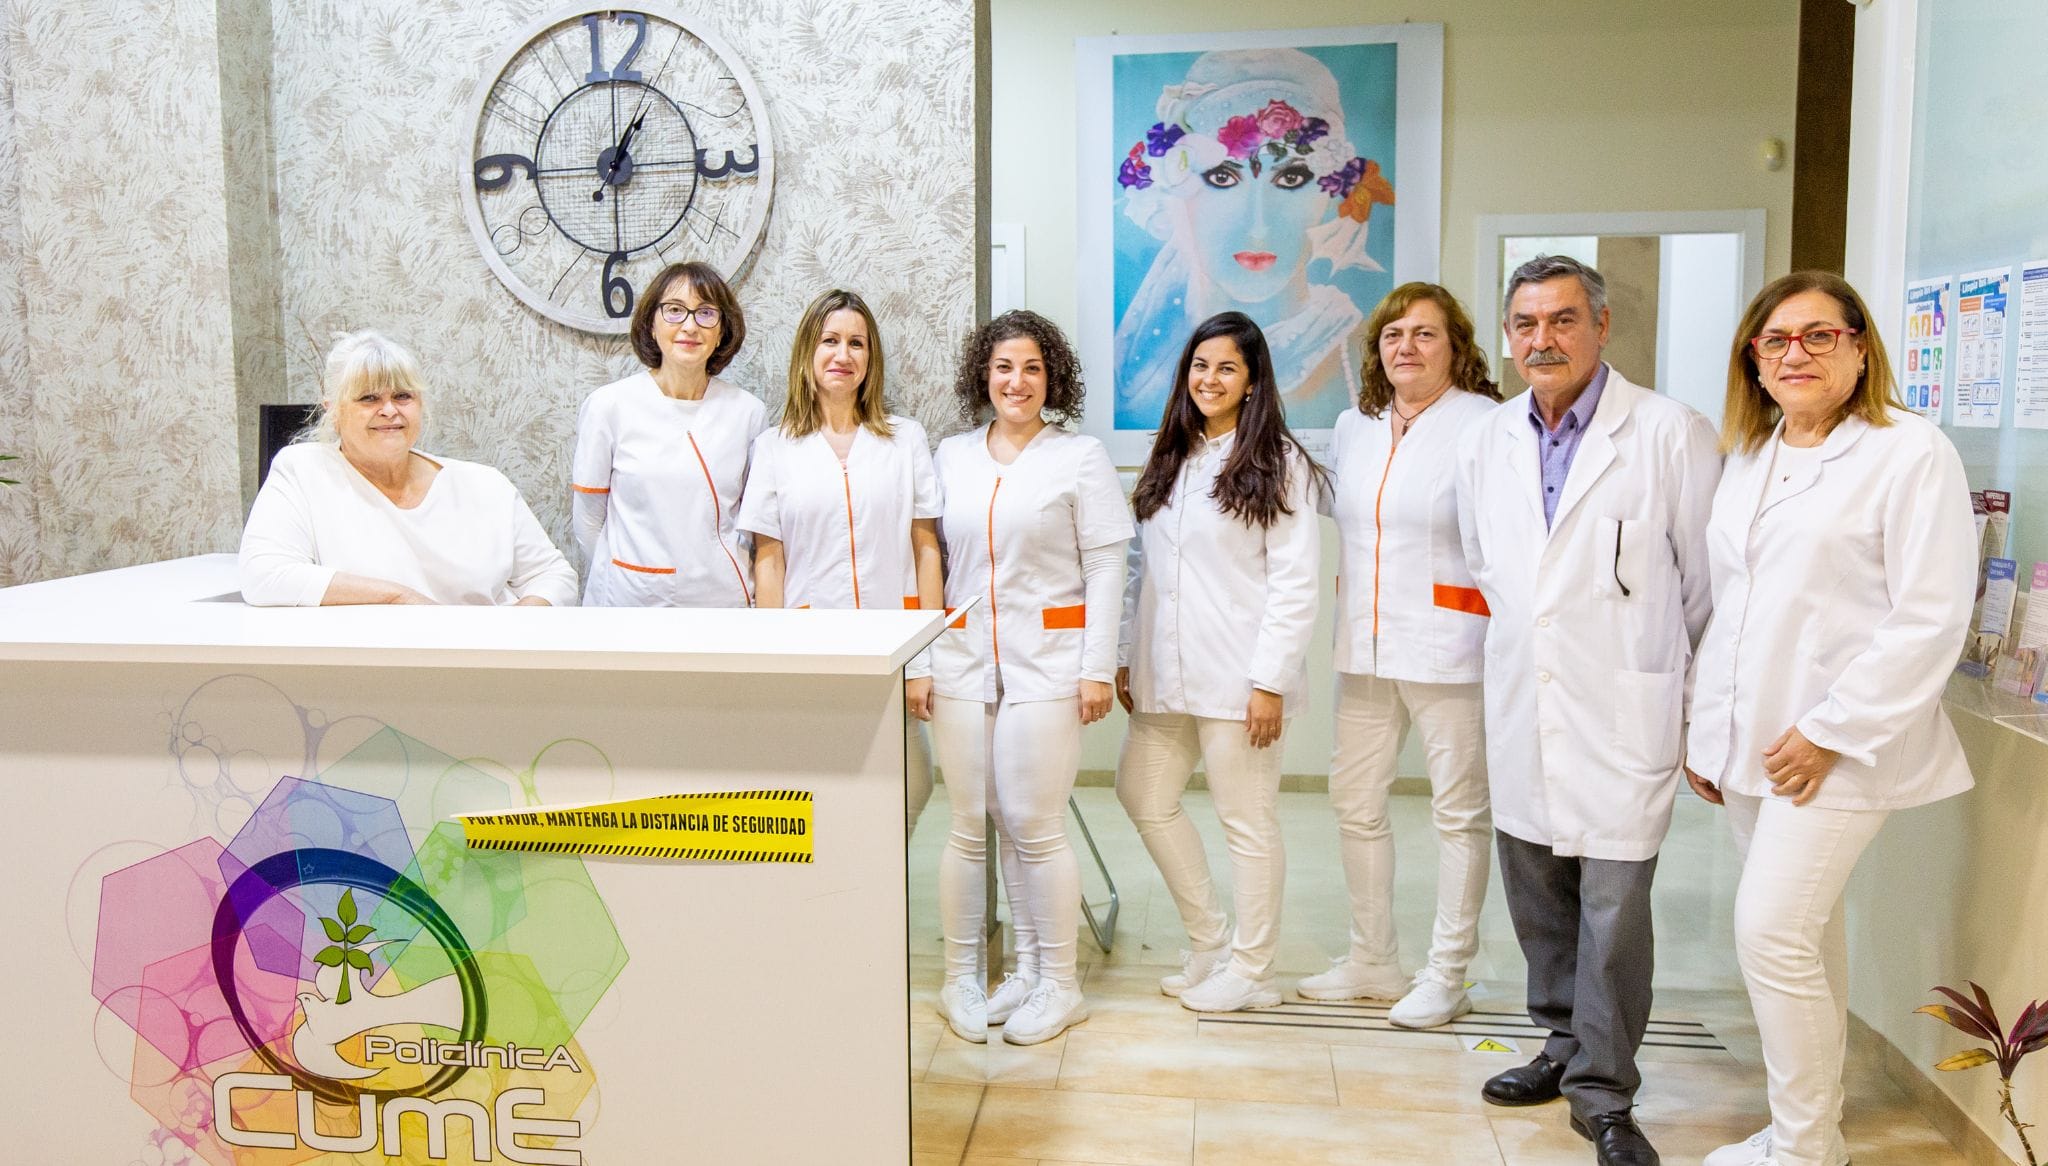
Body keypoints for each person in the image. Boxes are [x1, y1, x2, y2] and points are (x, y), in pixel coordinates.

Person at [1686, 273, 1976, 1166]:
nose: (1796, 354)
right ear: (1754, 361)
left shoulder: (1909, 452)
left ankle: (1807, 1148)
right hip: (1754, 742)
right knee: (1804, 935)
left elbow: (1930, 616)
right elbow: (1735, 605)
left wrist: (1830, 731)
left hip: (1842, 746)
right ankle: (1806, 1129)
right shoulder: (1754, 452)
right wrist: (1708, 730)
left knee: (1771, 932)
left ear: (1859, 347)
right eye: (1776, 340)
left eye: (1819, 335)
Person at [1454, 255, 1721, 1166]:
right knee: (1537, 894)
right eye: (1526, 323)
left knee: (1613, 909)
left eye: (1563, 320)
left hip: (1624, 706)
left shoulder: (1670, 433)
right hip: (1524, 700)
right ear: (1508, 336)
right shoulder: (1488, 438)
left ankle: (1605, 1093)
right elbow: (1489, 563)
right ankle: (1562, 1044)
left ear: (1601, 327)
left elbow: (1707, 591)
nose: (1543, 339)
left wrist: (1700, 715)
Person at [1297, 283, 1501, 1028]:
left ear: (1456, 346)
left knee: (1459, 813)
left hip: (1453, 645)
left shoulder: (1485, 424)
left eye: (1424, 333)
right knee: (1354, 800)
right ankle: (1373, 959)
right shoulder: (1357, 425)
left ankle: (1446, 973)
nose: (1406, 347)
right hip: (1366, 644)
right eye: (1392, 334)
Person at [929, 310, 1132, 1046]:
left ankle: (1060, 983)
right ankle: (981, 975)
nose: (1017, 382)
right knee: (972, 823)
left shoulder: (1078, 457)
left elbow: (1107, 565)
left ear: (1053, 379)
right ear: (983, 375)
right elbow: (930, 558)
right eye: (1004, 367)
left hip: (1049, 664)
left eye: (1033, 369)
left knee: (1034, 824)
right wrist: (922, 659)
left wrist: (1098, 667)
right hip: (962, 662)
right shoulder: (951, 455)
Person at [1113, 311, 1322, 1013]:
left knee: (1247, 821)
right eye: (1200, 366)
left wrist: (1271, 681)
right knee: (1143, 795)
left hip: (1240, 677)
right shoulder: (1171, 454)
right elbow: (1140, 566)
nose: (1210, 379)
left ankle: (1254, 970)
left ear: (1253, 380)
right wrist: (1125, 653)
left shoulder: (1279, 462)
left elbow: (1296, 581)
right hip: (1163, 668)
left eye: (1227, 367)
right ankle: (1210, 941)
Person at [734, 288, 945, 836]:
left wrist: (924, 661)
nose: (843, 354)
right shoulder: (775, 447)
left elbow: (926, 549)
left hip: (892, 644)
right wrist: (773, 656)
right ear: (808, 351)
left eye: (857, 343)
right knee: (819, 787)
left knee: (911, 784)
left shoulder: (905, 440)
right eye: (830, 340)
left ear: (871, 358)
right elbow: (769, 561)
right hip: (811, 646)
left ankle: (874, 876)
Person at [1112, 47, 1397, 431]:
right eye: (1222, 178)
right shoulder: (1137, 365)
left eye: (1291, 178)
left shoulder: (1363, 355)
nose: (1258, 227)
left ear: (1330, 193)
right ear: (1176, 189)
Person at [240, 331, 577, 607]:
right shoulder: (302, 470)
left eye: (402, 396)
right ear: (334, 411)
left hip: (485, 659)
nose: (389, 410)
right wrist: (399, 598)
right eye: (368, 398)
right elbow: (265, 575)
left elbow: (553, 575)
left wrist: (513, 628)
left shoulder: (485, 484)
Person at [572, 261, 766, 606]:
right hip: (629, 602)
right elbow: (588, 521)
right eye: (674, 310)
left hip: (720, 602)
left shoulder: (748, 412)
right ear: (651, 323)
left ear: (722, 331)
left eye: (706, 313)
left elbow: (753, 524)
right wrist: (629, 575)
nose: (690, 326)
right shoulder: (609, 406)